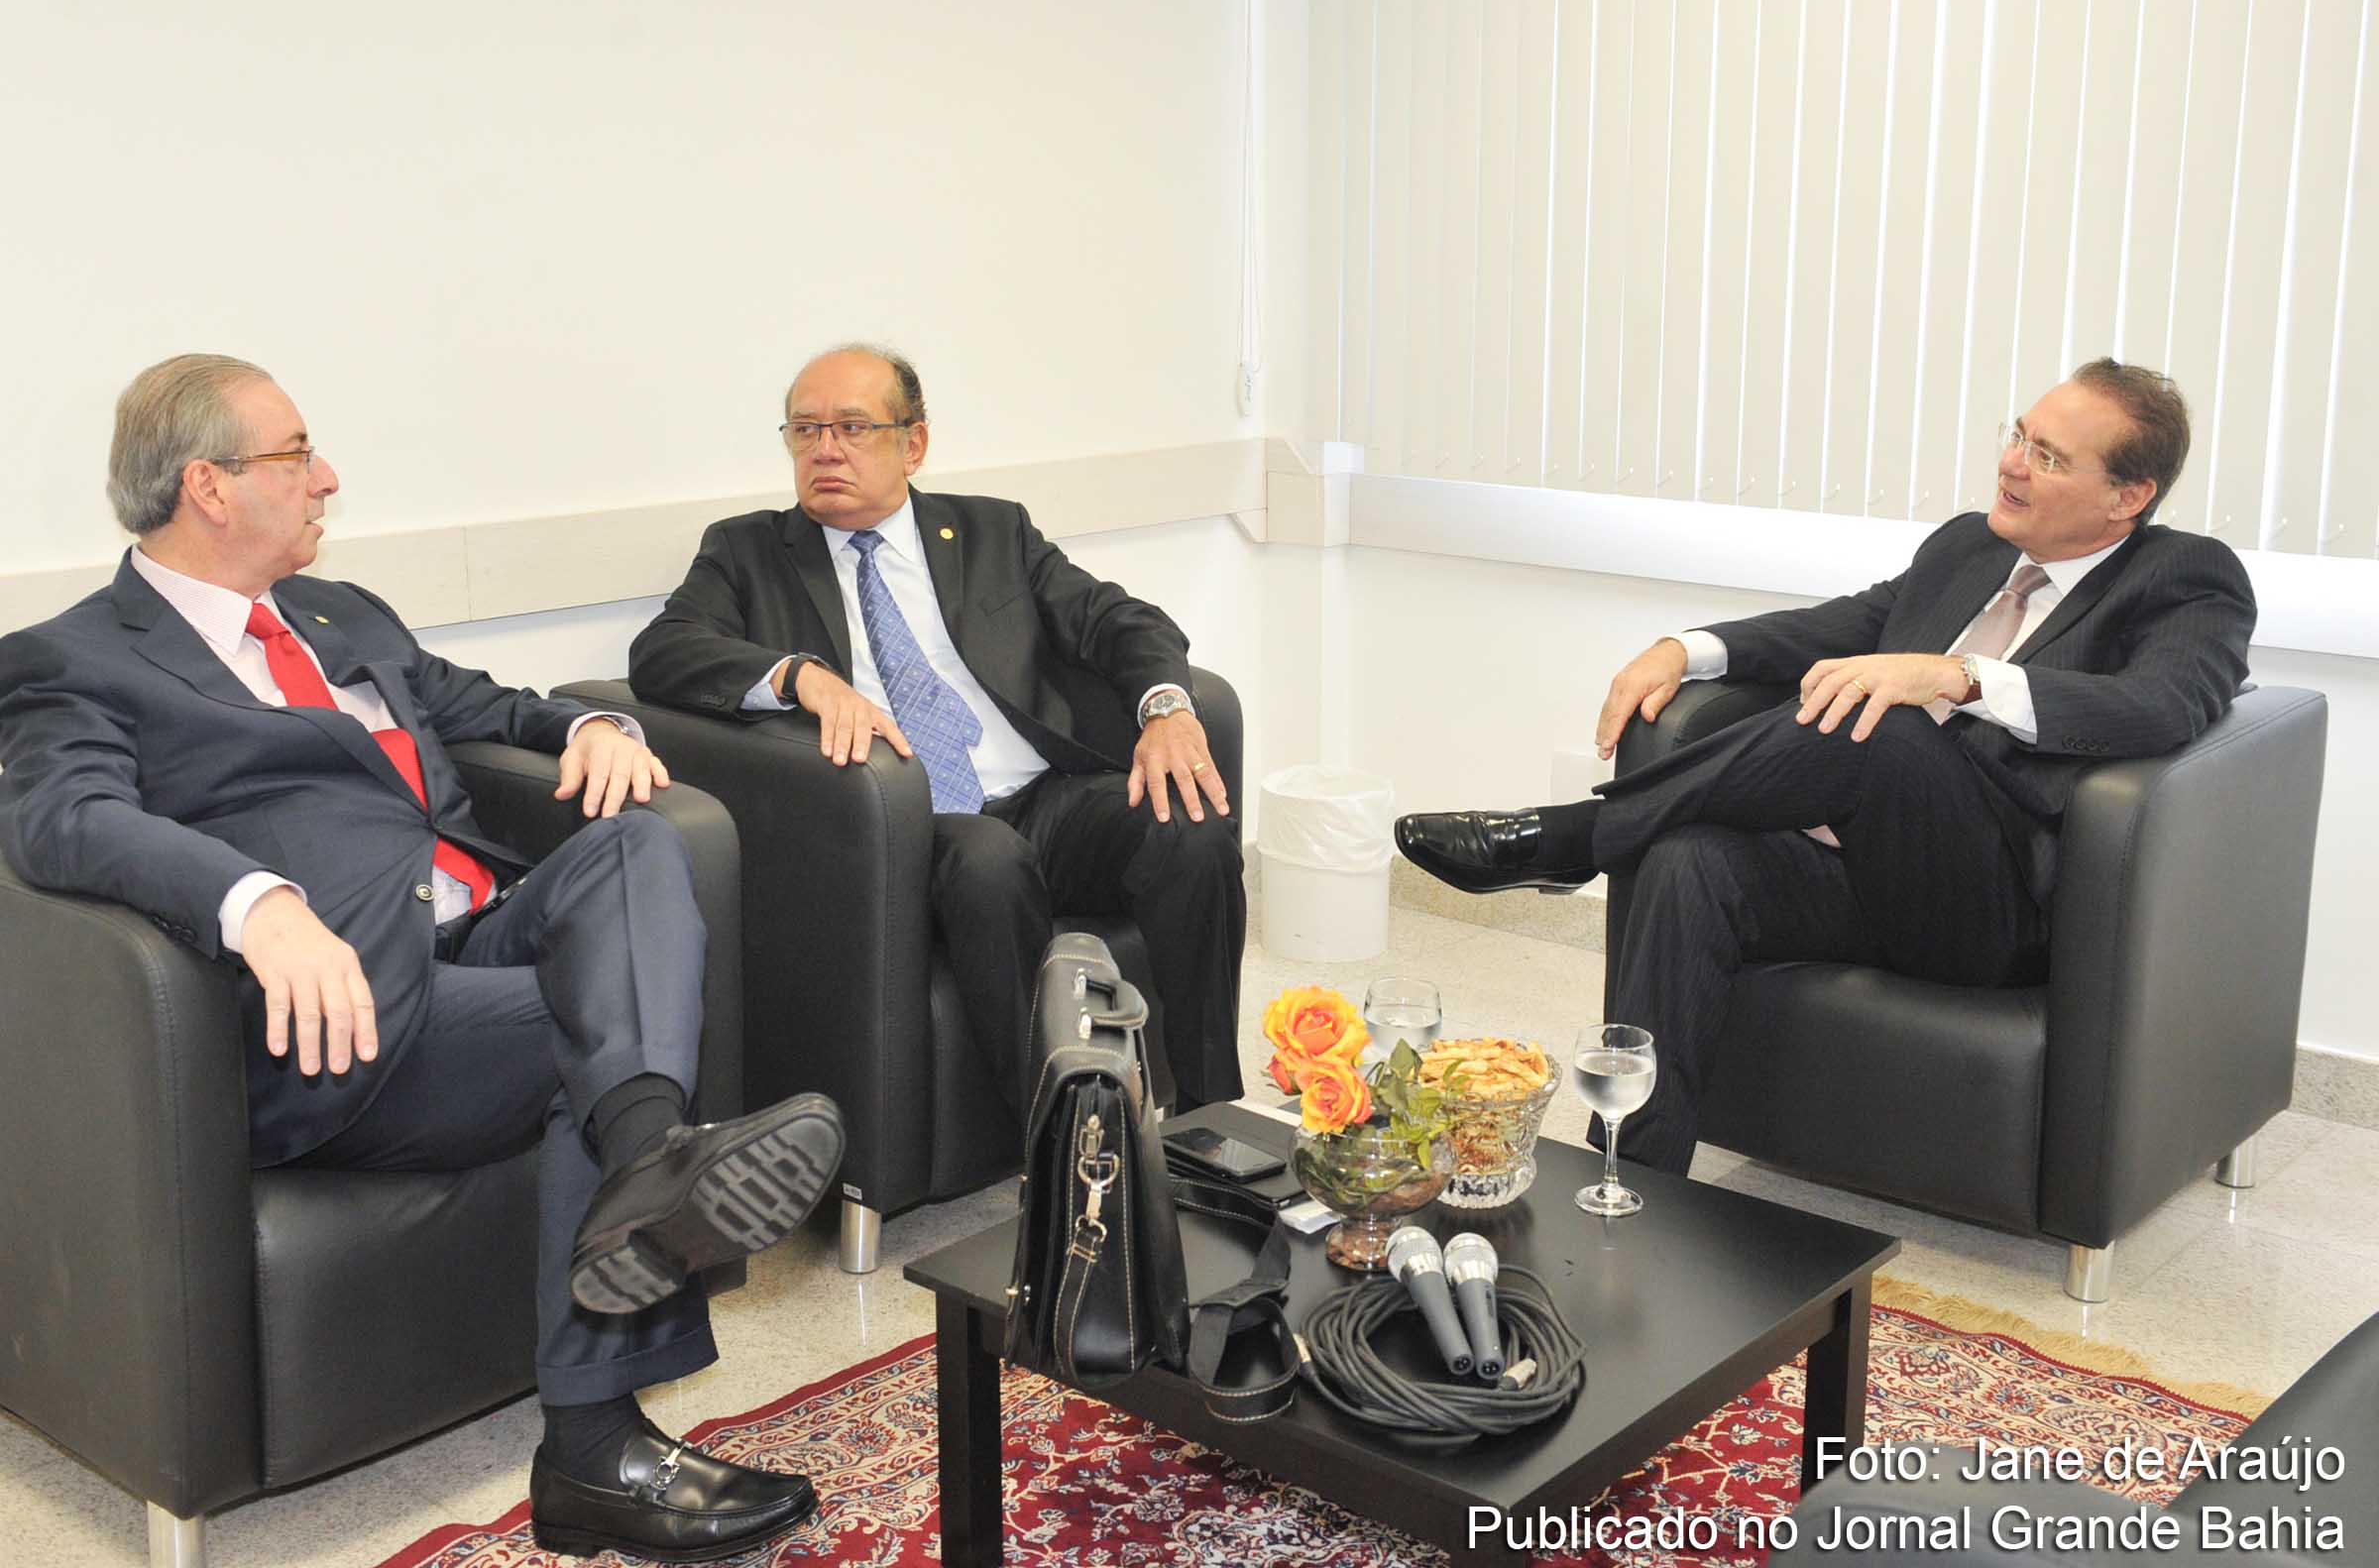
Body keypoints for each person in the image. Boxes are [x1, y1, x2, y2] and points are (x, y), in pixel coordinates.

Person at [0, 355, 847, 1564]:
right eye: (298, 454)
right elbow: (58, 820)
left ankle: (651, 1154)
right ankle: (597, 1443)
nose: (327, 476)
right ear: (209, 485)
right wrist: (253, 902)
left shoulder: (346, 615)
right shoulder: (74, 656)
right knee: (589, 1037)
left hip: (475, 936)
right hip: (338, 1009)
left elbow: (493, 705)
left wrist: (593, 724)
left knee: (638, 850)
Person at [1396, 360, 2255, 1174]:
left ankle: (1570, 836)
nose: (2010, 464)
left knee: (1886, 721)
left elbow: (2165, 705)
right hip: (1859, 874)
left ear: (2127, 497)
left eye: (2048, 456)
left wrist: (1957, 677)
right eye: (2018, 435)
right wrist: (1685, 648)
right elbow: (1843, 625)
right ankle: (1634, 1179)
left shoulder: (2185, 578)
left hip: (1990, 909)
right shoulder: (1971, 547)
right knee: (1687, 859)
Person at [627, 344, 1246, 1117]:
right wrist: (799, 675)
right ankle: (1052, 1138)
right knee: (989, 860)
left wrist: (1165, 708)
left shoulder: (992, 533)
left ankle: (1214, 1120)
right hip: (910, 822)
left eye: (852, 428)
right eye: (805, 429)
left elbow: (1121, 622)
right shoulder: (747, 551)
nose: (825, 449)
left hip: (1042, 798)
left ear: (912, 443)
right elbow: (662, 651)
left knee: (1189, 824)